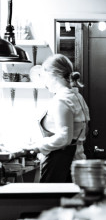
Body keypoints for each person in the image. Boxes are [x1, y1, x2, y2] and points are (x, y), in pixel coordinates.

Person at [30, 54, 90, 183]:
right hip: (76, 162)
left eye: (45, 77)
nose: (45, 82)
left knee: (51, 201)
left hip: (59, 164)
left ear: (54, 75)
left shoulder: (61, 100)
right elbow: (85, 131)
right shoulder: (77, 97)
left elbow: (64, 138)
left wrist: (37, 146)